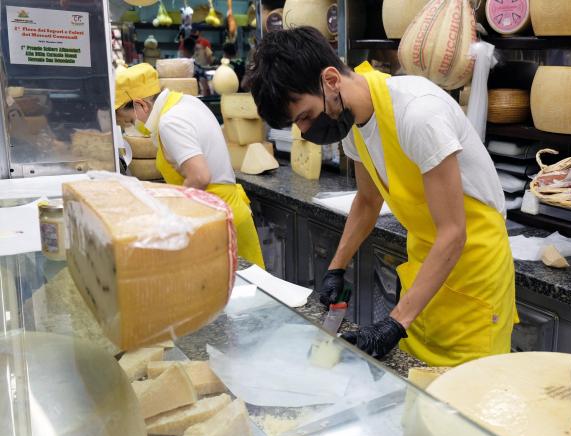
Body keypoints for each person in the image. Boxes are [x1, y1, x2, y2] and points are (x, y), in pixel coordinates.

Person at [248, 27, 517, 367]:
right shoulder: (354, 123)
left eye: (304, 116)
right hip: (426, 275)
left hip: (473, 279)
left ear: (331, 80)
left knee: (466, 407)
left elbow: (453, 233)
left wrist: (395, 322)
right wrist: (336, 268)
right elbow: (368, 200)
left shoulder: (419, 115)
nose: (304, 131)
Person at [114, 63, 265, 269]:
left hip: (217, 220)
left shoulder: (170, 122)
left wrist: (170, 217)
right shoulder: (186, 102)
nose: (133, 127)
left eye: (129, 121)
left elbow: (200, 176)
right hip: (227, 213)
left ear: (141, 105)